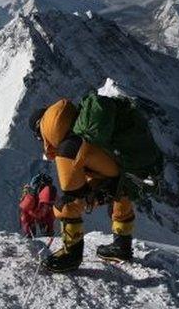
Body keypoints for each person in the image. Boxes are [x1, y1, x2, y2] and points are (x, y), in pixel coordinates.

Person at [29, 99, 136, 272]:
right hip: (124, 168)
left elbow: (74, 197)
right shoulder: (81, 130)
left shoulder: (67, 149)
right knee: (121, 189)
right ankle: (122, 246)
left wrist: (89, 195)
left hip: (108, 173)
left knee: (65, 204)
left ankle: (71, 256)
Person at [19, 173, 56, 238]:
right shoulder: (32, 198)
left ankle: (31, 234)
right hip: (37, 211)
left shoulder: (30, 198)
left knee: (29, 229)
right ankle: (44, 231)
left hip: (35, 211)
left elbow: (25, 213)